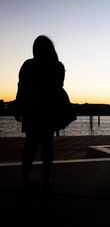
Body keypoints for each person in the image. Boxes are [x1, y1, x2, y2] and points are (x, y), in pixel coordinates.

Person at [15, 35, 65, 189]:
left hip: (32, 110)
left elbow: (21, 87)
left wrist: (18, 108)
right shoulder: (57, 66)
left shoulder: (28, 65)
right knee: (47, 145)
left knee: (30, 144)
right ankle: (46, 179)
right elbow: (59, 87)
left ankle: (25, 179)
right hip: (49, 110)